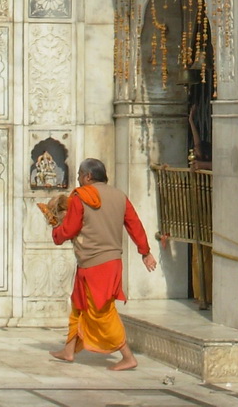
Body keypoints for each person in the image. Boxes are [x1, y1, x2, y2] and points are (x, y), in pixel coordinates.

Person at [50, 157, 157, 371]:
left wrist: (56, 231)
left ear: (88, 176)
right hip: (109, 262)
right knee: (78, 305)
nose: (79, 180)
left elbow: (69, 229)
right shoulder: (119, 196)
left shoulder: (81, 197)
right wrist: (145, 251)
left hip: (94, 264)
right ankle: (69, 350)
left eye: (80, 176)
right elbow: (134, 224)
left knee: (102, 312)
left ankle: (127, 356)